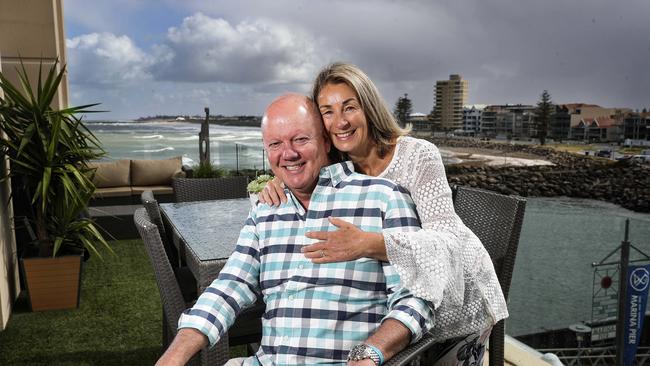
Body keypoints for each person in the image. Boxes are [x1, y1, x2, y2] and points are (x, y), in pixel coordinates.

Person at [156, 94, 434, 366]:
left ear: (325, 142)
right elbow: (231, 285)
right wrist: (173, 356)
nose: (288, 153)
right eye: (275, 143)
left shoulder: (383, 198)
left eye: (300, 139)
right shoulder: (266, 209)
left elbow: (416, 298)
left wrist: (369, 354)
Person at [259, 63, 507, 365]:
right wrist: (278, 182)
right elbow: (296, 166)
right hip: (400, 301)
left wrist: (369, 244)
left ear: (369, 107)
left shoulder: (417, 155)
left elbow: (447, 241)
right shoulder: (333, 167)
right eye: (327, 112)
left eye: (349, 107)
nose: (340, 122)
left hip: (455, 294)